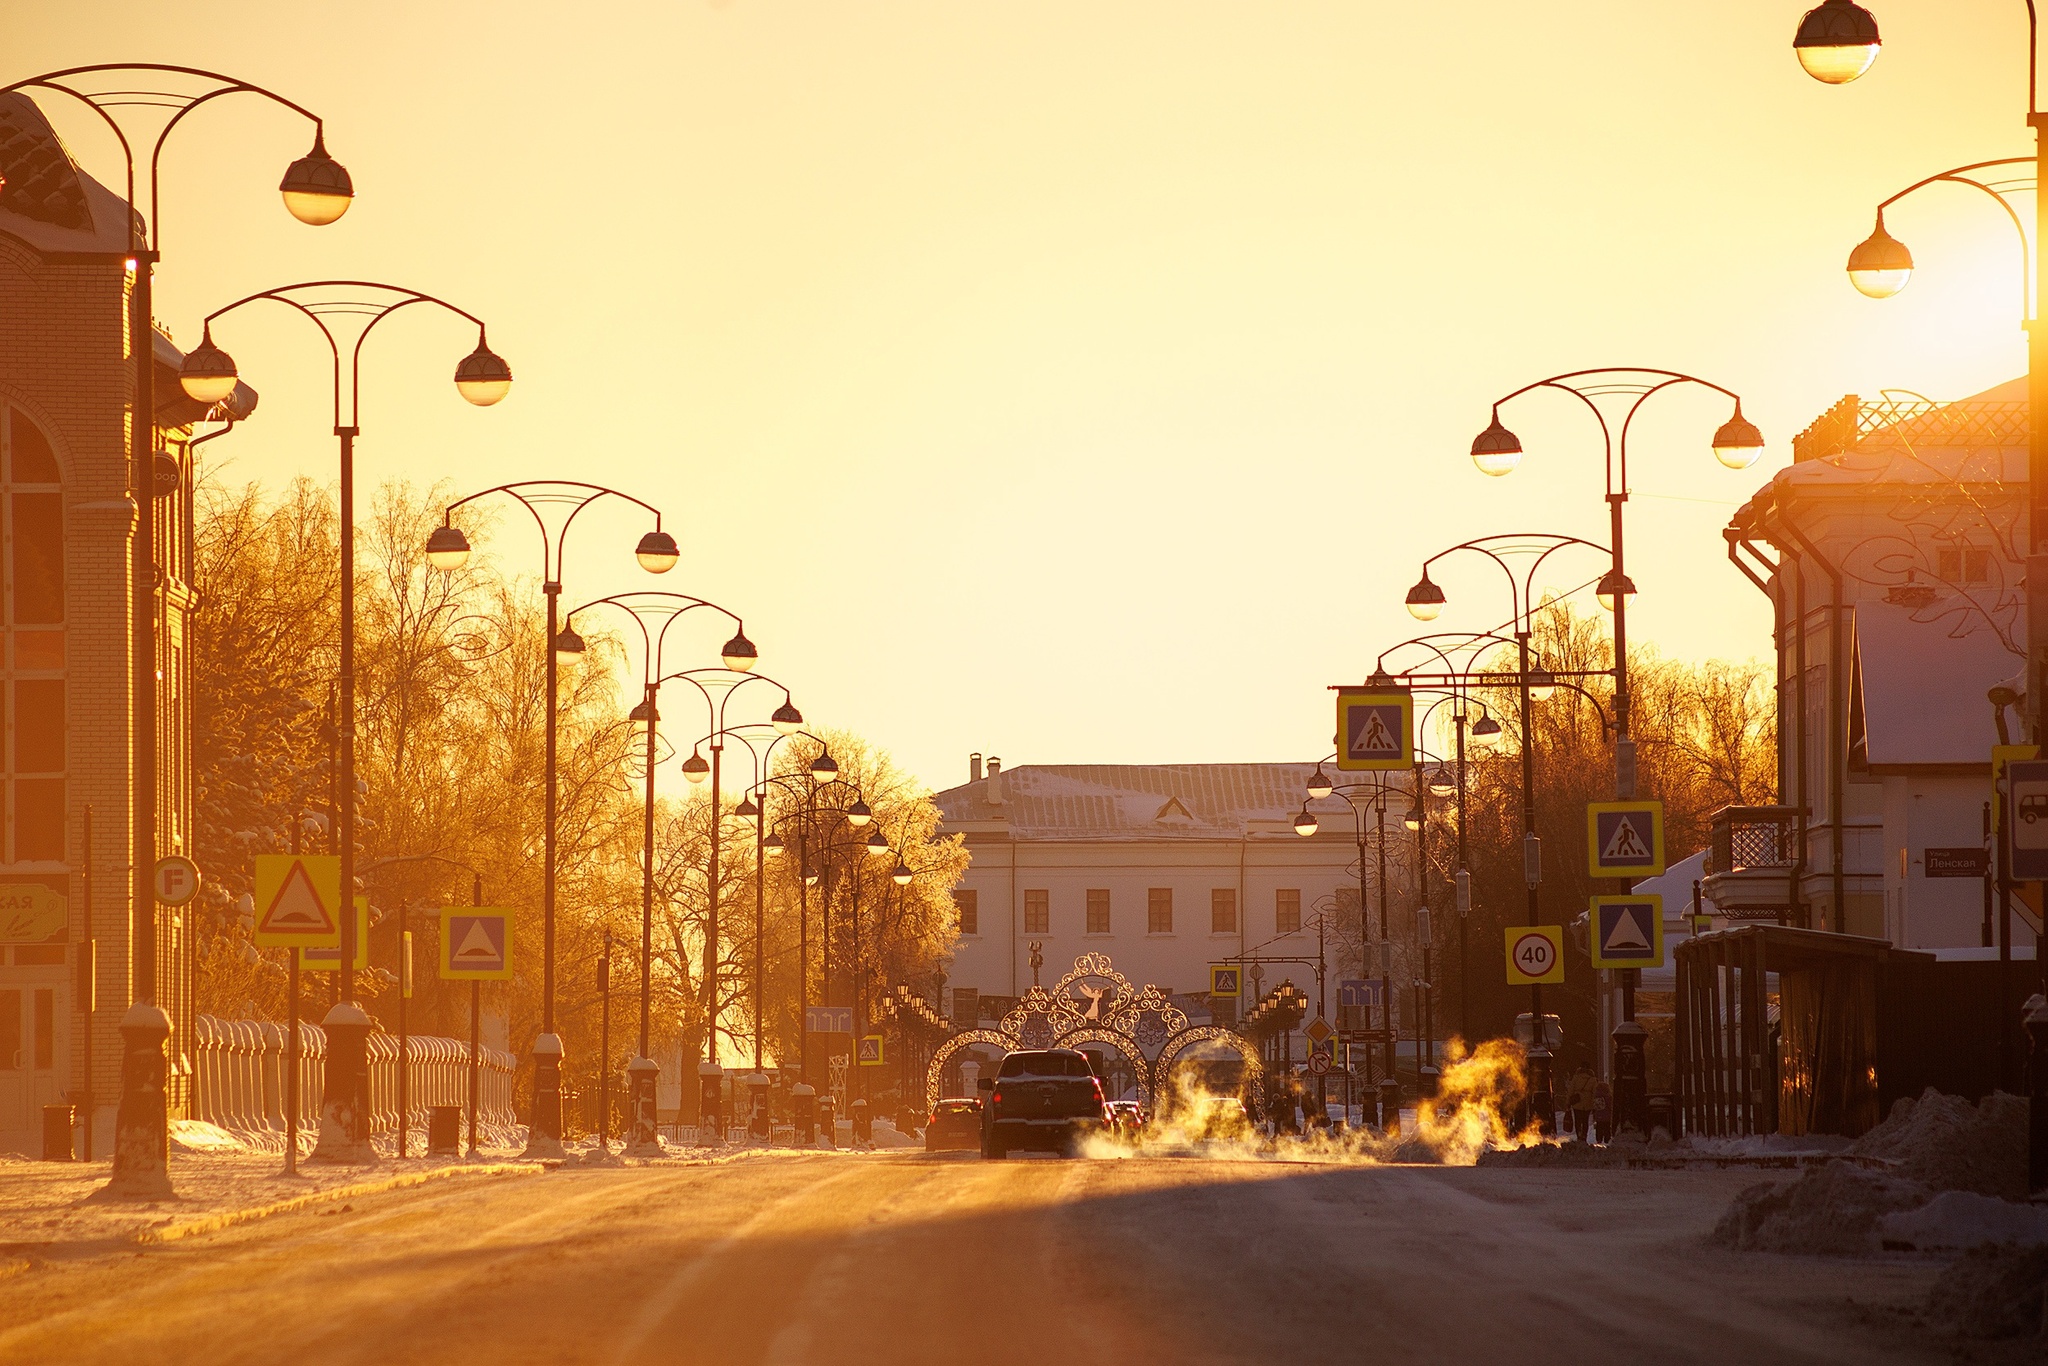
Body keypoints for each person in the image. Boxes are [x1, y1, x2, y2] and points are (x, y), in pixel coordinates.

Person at [1566, 1063, 1596, 1141]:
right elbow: (1594, 1093)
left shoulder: (1576, 1078)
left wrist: (1568, 1101)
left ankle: (1578, 1134)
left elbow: (1571, 1090)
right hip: (1587, 1103)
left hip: (1577, 1102)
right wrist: (1593, 1104)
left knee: (1577, 1120)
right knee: (1585, 1120)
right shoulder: (1593, 1079)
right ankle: (1584, 1136)